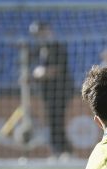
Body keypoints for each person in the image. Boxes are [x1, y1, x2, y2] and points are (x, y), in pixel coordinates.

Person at [30, 21, 74, 157]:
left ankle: (63, 151)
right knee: (52, 121)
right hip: (47, 92)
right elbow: (32, 66)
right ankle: (61, 150)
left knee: (56, 120)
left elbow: (57, 69)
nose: (39, 36)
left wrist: (40, 73)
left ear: (47, 30)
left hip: (60, 91)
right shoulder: (39, 48)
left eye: (40, 32)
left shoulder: (57, 47)